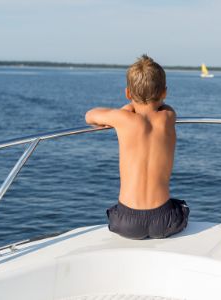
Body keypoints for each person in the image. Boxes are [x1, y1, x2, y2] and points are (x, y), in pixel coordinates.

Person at [84, 54, 188, 239]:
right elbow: (165, 108)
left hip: (126, 221)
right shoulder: (168, 117)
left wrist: (124, 111)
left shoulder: (122, 119)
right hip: (164, 219)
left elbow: (90, 115)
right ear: (164, 92)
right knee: (181, 207)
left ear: (127, 93)